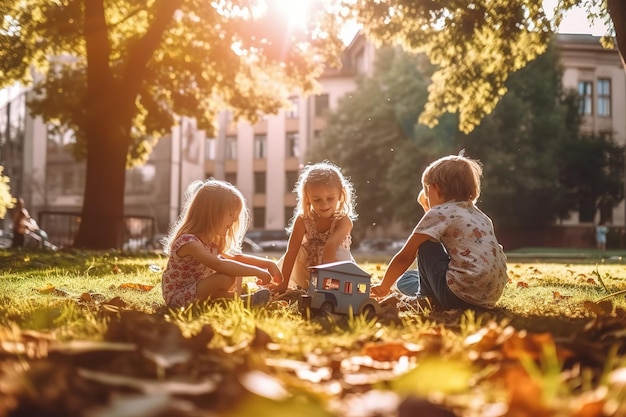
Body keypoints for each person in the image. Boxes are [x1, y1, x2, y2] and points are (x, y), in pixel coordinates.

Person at [371, 154, 508, 311]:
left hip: (458, 296)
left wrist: (383, 287)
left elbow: (405, 256)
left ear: (435, 188)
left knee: (425, 246)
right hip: (488, 296)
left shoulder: (440, 213)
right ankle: (426, 294)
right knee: (405, 280)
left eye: (426, 190)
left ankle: (424, 300)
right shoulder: (480, 216)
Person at [161, 179, 283, 309]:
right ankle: (242, 300)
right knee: (224, 278)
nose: (235, 219)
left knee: (229, 276)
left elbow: (236, 258)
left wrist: (268, 264)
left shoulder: (212, 242)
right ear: (212, 213)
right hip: (179, 297)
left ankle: (245, 301)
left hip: (199, 290)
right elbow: (219, 264)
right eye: (231, 214)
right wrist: (257, 272)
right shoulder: (189, 242)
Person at [275, 161, 357, 292]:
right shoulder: (303, 220)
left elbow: (330, 248)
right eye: (317, 200)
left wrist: (326, 284)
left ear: (340, 195)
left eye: (330, 198)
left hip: (334, 269)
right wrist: (283, 285)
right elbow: (291, 252)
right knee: (299, 251)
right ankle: (295, 284)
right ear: (308, 199)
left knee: (340, 253)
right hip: (308, 271)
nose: (324, 204)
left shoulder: (343, 221)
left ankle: (333, 289)